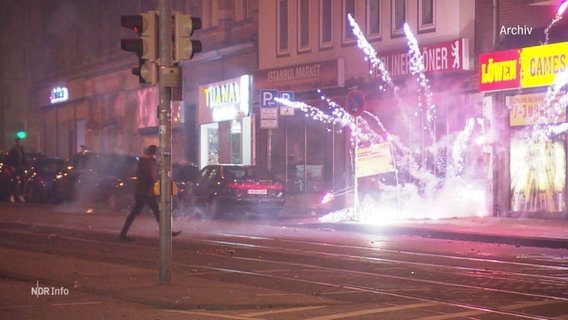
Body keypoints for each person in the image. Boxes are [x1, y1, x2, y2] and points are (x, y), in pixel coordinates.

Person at [119, 145, 180, 241]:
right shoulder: (148, 161)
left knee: (146, 212)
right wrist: (157, 180)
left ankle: (123, 234)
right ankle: (167, 232)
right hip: (145, 192)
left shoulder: (144, 160)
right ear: (154, 152)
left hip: (144, 191)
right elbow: (151, 176)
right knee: (151, 212)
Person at [7, 137, 27, 203]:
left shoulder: (22, 150)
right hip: (15, 168)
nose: (20, 143)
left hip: (21, 168)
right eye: (18, 142)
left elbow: (24, 159)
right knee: (15, 181)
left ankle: (21, 195)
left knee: (23, 181)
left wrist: (25, 166)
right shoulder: (12, 151)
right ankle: (12, 195)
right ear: (16, 142)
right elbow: (9, 160)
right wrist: (12, 167)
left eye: (20, 142)